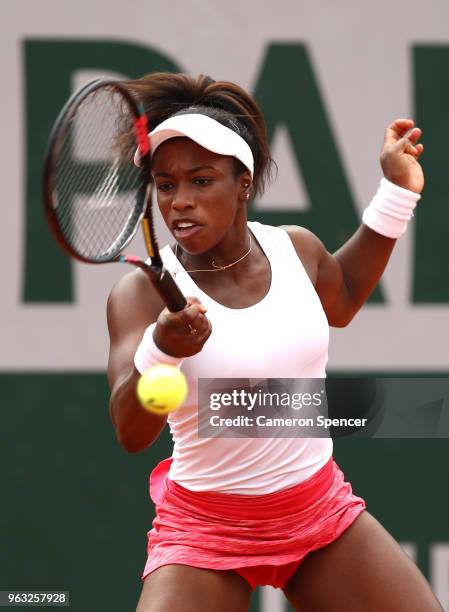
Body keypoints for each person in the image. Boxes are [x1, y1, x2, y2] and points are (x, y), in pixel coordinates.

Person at [107, 73, 443, 612]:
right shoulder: (139, 296)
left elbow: (347, 297)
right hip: (205, 532)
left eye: (201, 180)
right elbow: (131, 429)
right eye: (166, 186)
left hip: (319, 513)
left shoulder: (297, 250)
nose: (180, 203)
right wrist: (161, 349)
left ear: (244, 182)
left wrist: (397, 190)